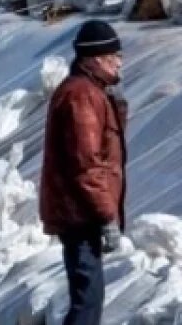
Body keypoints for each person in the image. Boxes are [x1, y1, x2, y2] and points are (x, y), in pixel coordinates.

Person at [40, 20, 127, 325]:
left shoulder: (91, 92)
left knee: (89, 296)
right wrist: (106, 216)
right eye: (114, 55)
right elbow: (86, 162)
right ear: (95, 59)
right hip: (79, 213)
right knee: (87, 299)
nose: (120, 61)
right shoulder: (82, 96)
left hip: (81, 210)